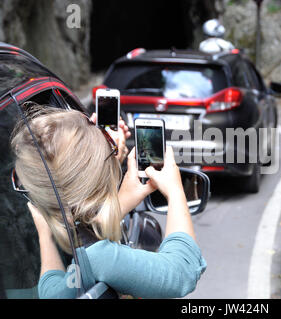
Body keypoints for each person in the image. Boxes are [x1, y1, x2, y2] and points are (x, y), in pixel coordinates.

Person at [11, 105, 206, 298]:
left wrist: (45, 233)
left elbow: (52, 291)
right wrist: (175, 190)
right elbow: (182, 271)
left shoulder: (81, 255)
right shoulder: (98, 258)